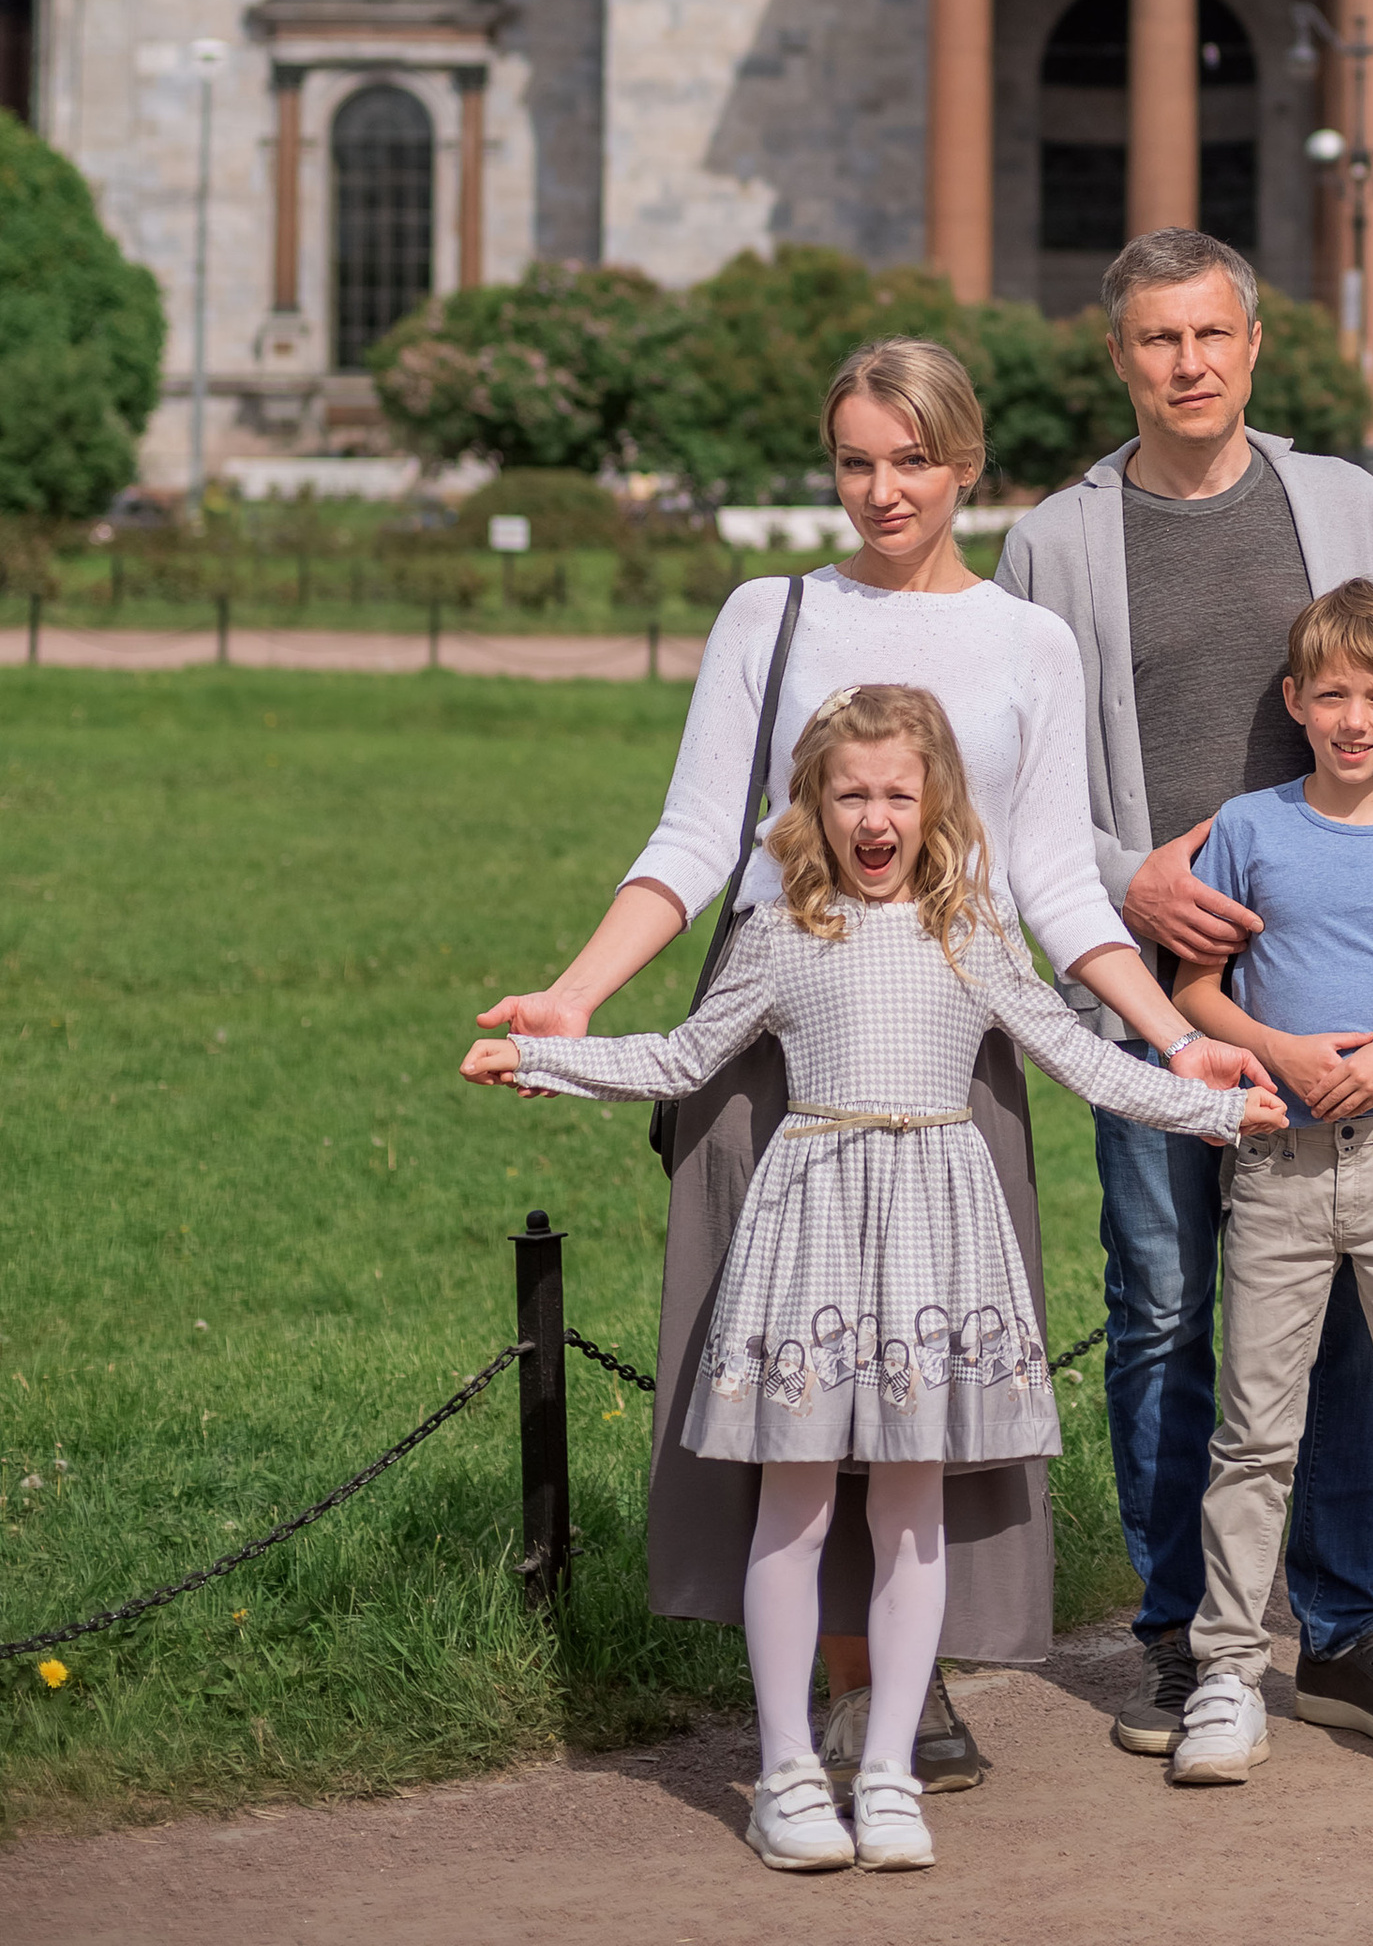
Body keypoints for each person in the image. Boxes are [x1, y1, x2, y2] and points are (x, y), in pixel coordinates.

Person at [475, 335, 1267, 1800]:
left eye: (912, 460)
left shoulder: (1028, 642)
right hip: (773, 1031)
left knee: (916, 1377)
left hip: (949, 1035)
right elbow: (696, 836)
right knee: (793, 1388)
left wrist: (1176, 1039)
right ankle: (834, 1697)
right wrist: (576, 1000)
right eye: (854, 461)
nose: (882, 490)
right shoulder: (770, 614)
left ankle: (906, 1690)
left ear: (965, 463)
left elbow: (1053, 882)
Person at [996, 227, 1373, 1757]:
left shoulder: (1341, 501)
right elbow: (1020, 787)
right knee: (1164, 1311)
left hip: (1331, 997)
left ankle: (1344, 1626)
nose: (1189, 364)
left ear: (1253, 345)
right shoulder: (1055, 542)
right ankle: (1183, 1634)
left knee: (1343, 1320)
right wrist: (1127, 881)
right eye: (1159, 340)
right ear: (1120, 358)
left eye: (1211, 334)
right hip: (1150, 1003)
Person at [1167, 580, 1373, 1795]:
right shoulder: (1246, 829)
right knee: (1255, 1436)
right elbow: (1193, 993)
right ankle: (1223, 1675)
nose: (1355, 720)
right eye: (1333, 696)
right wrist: (1281, 1052)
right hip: (1277, 1170)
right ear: (1296, 702)